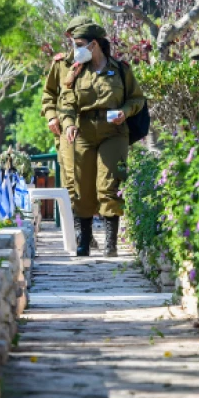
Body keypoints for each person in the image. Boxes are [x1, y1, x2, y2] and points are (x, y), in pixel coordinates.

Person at [59, 21, 145, 257]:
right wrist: (67, 124)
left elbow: (137, 99)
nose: (75, 50)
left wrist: (125, 112)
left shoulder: (120, 70)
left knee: (108, 185)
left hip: (113, 132)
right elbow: (66, 103)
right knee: (82, 188)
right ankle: (84, 242)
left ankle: (110, 244)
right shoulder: (76, 71)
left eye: (79, 45)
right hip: (83, 132)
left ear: (94, 44)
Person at [41, 15, 96, 247]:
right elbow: (48, 95)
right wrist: (52, 116)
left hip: (96, 130)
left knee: (94, 181)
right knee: (71, 180)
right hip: (68, 131)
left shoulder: (101, 62)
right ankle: (79, 233)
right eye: (74, 34)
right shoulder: (61, 63)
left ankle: (87, 230)